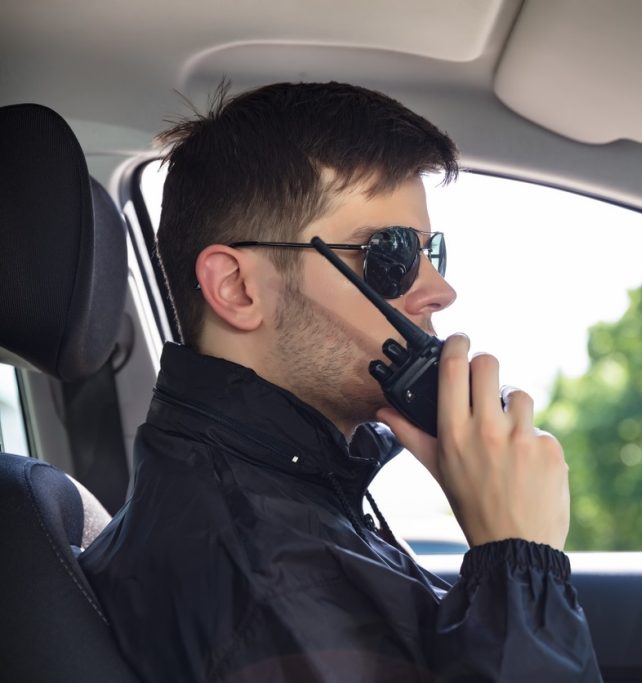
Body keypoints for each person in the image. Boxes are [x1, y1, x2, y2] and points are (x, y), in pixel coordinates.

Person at [80, 82, 602, 682]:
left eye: (431, 252)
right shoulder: (267, 586)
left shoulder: (295, 497)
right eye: (390, 254)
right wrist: (520, 560)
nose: (440, 291)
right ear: (238, 288)